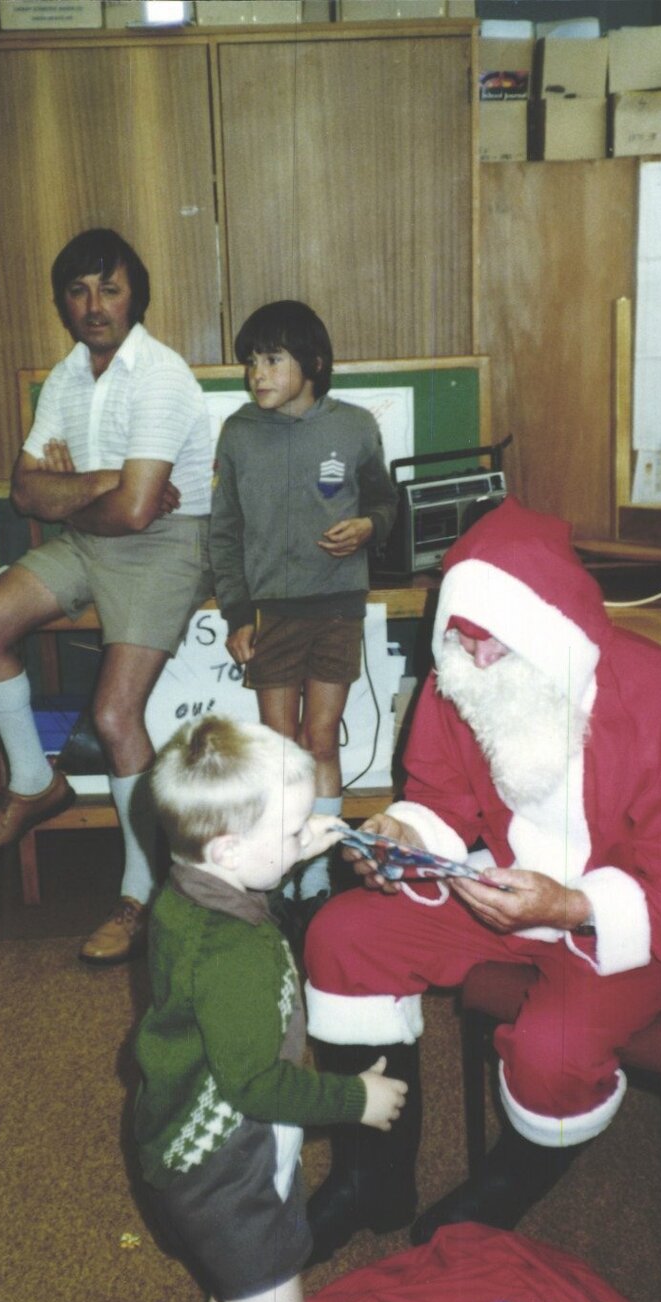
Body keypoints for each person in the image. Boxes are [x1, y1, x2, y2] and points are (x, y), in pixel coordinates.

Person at [300, 495, 661, 1262]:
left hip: (638, 922)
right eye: (462, 645)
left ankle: (505, 1188)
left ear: (548, 640)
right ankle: (370, 1176)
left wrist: (575, 904)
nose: (473, 669)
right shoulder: (467, 672)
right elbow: (441, 797)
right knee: (342, 936)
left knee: (555, 1047)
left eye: (492, 650)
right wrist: (402, 835)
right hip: (506, 891)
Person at [132, 715, 407, 1302]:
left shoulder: (184, 892)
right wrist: (356, 1098)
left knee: (241, 1282)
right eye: (291, 833)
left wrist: (287, 852)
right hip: (228, 1168)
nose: (302, 841)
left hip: (183, 1150)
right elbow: (256, 1085)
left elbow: (247, 874)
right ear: (228, 848)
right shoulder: (240, 952)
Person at [0, 229, 214, 964]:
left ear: (137, 294)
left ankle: (141, 894)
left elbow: (140, 513)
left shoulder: (161, 374)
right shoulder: (66, 377)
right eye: (79, 291)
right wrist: (104, 484)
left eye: (110, 288)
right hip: (90, 536)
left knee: (111, 711)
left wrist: (84, 494)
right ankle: (36, 782)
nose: (94, 306)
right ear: (63, 303)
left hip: (168, 544)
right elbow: (29, 489)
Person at [209, 300, 397, 911]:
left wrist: (369, 526)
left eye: (272, 360)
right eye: (250, 363)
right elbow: (225, 531)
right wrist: (238, 614)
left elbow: (386, 504)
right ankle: (278, 862)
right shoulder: (238, 431)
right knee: (278, 748)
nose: (256, 374)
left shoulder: (355, 426)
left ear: (313, 363)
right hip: (272, 613)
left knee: (321, 742)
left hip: (338, 606)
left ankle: (313, 874)